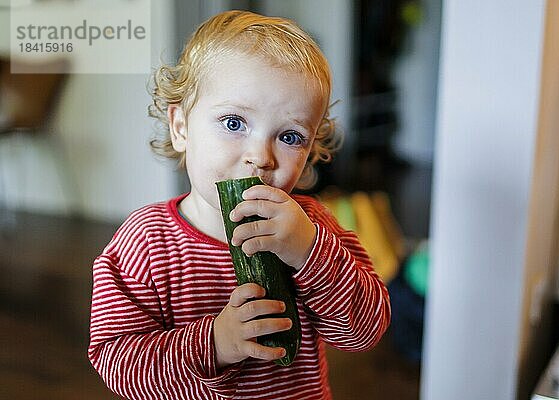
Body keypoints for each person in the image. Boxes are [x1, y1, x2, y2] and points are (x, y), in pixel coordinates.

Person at [88, 10, 390, 400]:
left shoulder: (314, 227)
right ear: (181, 127)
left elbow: (365, 332)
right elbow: (117, 360)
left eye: (290, 136)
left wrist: (308, 252)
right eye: (234, 124)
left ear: (312, 148)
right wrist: (214, 343)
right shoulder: (146, 242)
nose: (260, 156)